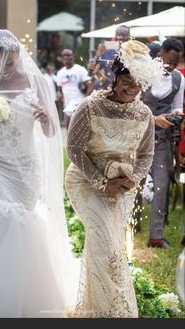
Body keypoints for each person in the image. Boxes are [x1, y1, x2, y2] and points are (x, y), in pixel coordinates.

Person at [0, 30, 78, 318]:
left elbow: (49, 131)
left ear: (18, 57)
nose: (1, 71)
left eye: (7, 64)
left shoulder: (37, 82)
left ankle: (18, 287)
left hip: (25, 166)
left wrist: (46, 119)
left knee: (21, 224)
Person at [65, 40, 163, 318]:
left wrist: (132, 180)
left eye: (138, 86)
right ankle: (102, 312)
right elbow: (73, 149)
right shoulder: (89, 106)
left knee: (110, 245)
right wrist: (101, 181)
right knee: (104, 240)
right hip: (86, 181)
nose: (131, 91)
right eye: (127, 83)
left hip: (123, 186)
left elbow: (146, 154)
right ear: (116, 76)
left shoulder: (144, 113)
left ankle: (107, 309)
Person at [141, 38, 184, 248]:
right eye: (169, 62)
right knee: (132, 183)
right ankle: (131, 225)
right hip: (137, 137)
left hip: (163, 139)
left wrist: (176, 115)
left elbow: (177, 106)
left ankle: (156, 237)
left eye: (176, 64)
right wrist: (153, 119)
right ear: (160, 55)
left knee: (161, 185)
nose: (172, 67)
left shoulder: (178, 79)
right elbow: (130, 106)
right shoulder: (142, 73)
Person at [57, 49, 91, 129]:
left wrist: (84, 101)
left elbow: (89, 86)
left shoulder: (80, 69)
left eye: (68, 55)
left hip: (78, 104)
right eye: (64, 55)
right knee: (68, 129)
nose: (66, 57)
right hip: (67, 105)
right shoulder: (60, 73)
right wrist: (59, 94)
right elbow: (59, 89)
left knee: (78, 129)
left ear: (73, 57)